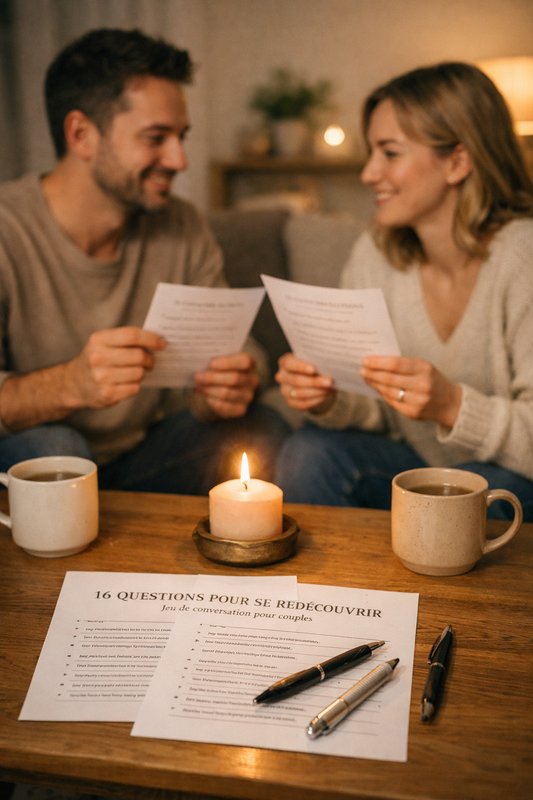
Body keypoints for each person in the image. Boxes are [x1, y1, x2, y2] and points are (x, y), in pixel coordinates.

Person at [0, 28, 289, 494]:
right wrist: (69, 383)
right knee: (60, 450)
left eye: (181, 137)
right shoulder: (8, 230)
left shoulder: (181, 224)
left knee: (264, 428)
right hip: (37, 461)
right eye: (156, 137)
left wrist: (229, 384)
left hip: (143, 457)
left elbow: (240, 345)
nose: (179, 159)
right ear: (81, 134)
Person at [274, 61, 533, 521]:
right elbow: (381, 411)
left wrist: (453, 406)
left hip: (510, 479)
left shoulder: (523, 258)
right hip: (413, 470)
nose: (369, 173)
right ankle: (326, 594)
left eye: (389, 153)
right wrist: (330, 397)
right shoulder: (375, 253)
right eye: (371, 152)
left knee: (477, 497)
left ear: (457, 161)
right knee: (308, 449)